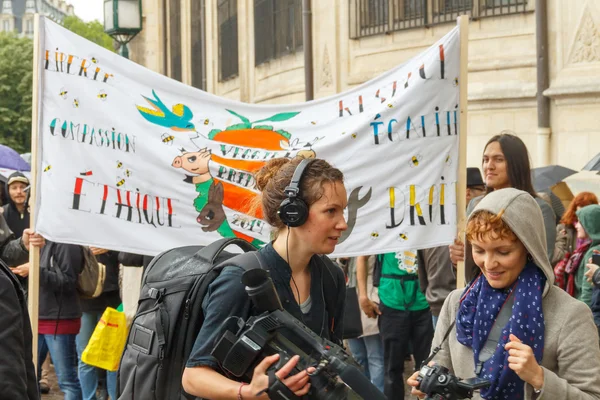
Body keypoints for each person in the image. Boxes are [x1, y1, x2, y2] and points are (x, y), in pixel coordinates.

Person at [408, 188, 600, 400]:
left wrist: (540, 378)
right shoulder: (457, 303)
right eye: (479, 250)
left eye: (503, 252)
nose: (489, 264)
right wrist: (426, 386)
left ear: (529, 247)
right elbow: (441, 369)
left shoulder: (571, 315)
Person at [182, 157, 348, 399]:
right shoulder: (242, 279)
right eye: (331, 211)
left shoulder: (332, 277)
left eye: (342, 210)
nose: (342, 223)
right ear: (294, 213)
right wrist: (248, 392)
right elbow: (193, 377)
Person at [449, 132, 557, 281]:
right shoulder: (476, 205)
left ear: (516, 165)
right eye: (485, 160)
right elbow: (471, 266)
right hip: (480, 295)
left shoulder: (539, 208)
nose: (489, 166)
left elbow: (544, 261)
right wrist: (459, 259)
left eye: (498, 159)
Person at [358, 250, 434, 400]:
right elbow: (362, 256)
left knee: (427, 367)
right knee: (392, 368)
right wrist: (363, 296)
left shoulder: (426, 227)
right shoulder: (384, 228)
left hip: (424, 302)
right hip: (391, 302)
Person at [39, 241, 84, 400]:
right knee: (29, 374)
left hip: (60, 319)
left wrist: (36, 271)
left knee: (67, 380)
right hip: (38, 316)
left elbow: (68, 281)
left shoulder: (67, 244)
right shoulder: (42, 242)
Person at [76, 248, 121, 400]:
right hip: (85, 299)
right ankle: (89, 397)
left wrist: (110, 249)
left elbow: (128, 256)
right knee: (85, 357)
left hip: (112, 300)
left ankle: (114, 396)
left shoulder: (116, 231)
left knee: (112, 357)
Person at [344, 256, 384, 393]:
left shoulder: (370, 243)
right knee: (357, 357)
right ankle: (363, 393)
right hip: (349, 304)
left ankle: (377, 394)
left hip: (369, 299)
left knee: (375, 357)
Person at [552, 192, 598, 266]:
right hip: (567, 274)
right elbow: (555, 258)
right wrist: (561, 239)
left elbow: (596, 266)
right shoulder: (564, 229)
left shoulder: (596, 233)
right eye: (581, 206)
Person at [573, 204, 600, 308]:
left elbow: (588, 291)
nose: (576, 225)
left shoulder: (595, 251)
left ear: (591, 223)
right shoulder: (590, 247)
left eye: (580, 222)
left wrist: (581, 315)